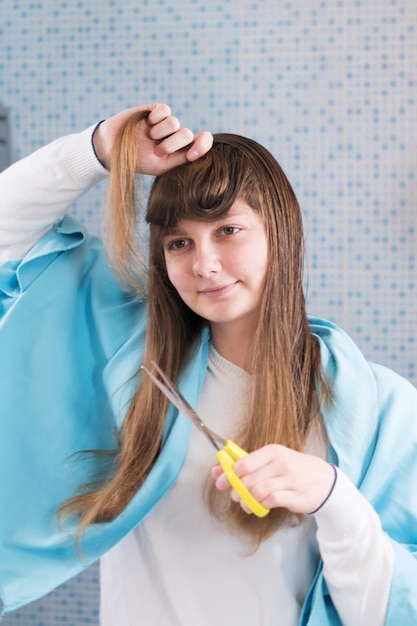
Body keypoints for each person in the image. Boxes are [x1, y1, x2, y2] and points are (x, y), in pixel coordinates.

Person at [0, 103, 416, 626]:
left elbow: (395, 608)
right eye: (180, 242)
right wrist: (101, 149)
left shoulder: (382, 410)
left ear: (280, 233)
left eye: (228, 230)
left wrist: (333, 499)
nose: (204, 264)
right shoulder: (131, 360)